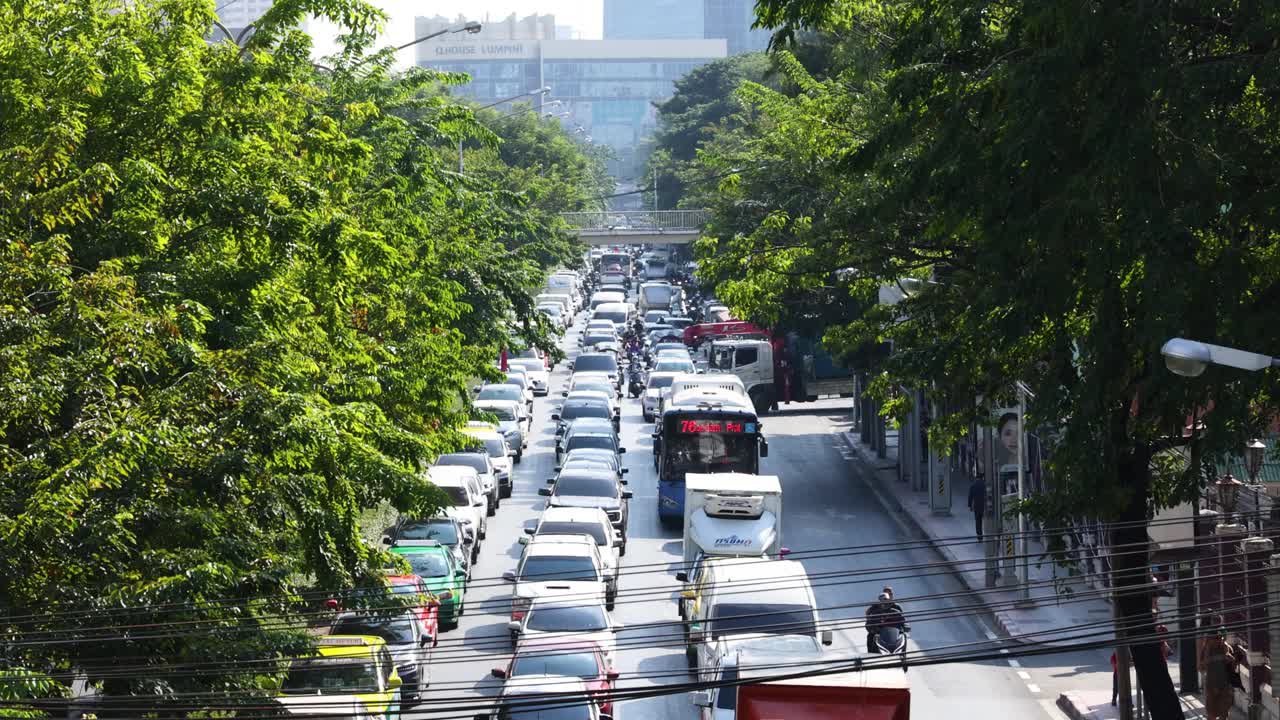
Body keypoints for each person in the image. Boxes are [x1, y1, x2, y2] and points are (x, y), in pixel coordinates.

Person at [1199, 622, 1236, 720]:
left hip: (1224, 686)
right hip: (1211, 685)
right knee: (1211, 713)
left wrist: (1230, 660)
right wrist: (1208, 657)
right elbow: (1201, 668)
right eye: (1215, 638)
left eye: (1220, 638)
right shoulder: (1205, 649)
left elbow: (1233, 669)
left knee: (1223, 713)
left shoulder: (1227, 648)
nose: (1218, 641)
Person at [865, 588, 905, 653]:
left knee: (903, 636)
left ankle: (903, 654)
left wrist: (904, 627)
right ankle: (871, 654)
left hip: (894, 633)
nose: (885, 603)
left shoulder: (896, 609)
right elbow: (869, 619)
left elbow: (902, 619)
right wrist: (872, 628)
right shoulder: (875, 609)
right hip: (880, 632)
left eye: (890, 594)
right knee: (870, 637)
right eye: (883, 600)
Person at [968, 476, 987, 540]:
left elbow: (970, 496)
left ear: (976, 478)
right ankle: (987, 533)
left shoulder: (973, 485)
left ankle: (979, 535)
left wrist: (970, 506)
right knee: (985, 520)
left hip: (976, 506)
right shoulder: (984, 485)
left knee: (978, 521)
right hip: (984, 506)